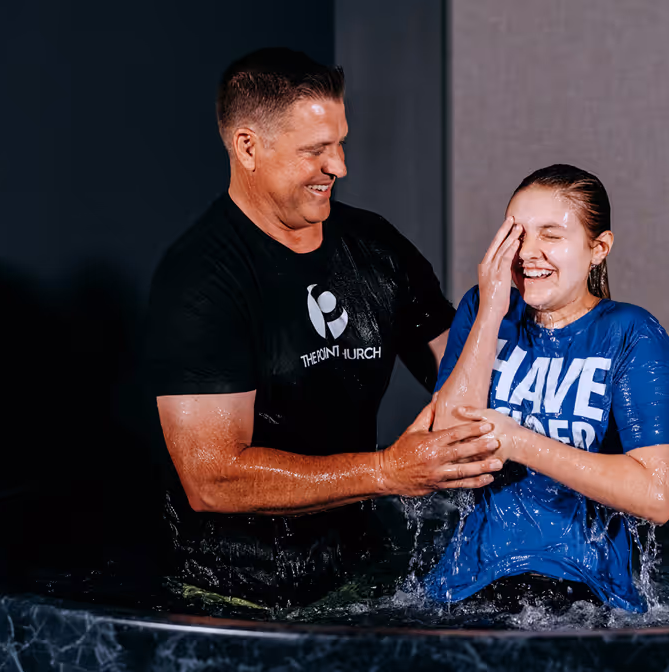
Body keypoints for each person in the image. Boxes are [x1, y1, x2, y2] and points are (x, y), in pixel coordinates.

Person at [145, 48, 504, 607]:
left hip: (361, 568)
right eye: (316, 150)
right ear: (248, 148)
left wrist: (506, 308)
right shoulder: (201, 279)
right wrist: (387, 471)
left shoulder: (376, 246)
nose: (339, 166)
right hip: (233, 594)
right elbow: (211, 478)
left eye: (339, 143)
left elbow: (468, 379)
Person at [424, 164, 669, 612]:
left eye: (551, 235)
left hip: (586, 592)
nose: (527, 252)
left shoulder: (632, 334)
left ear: (597, 249)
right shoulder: (483, 308)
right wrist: (489, 310)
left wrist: (518, 442)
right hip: (467, 586)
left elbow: (657, 497)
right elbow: (445, 446)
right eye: (517, 234)